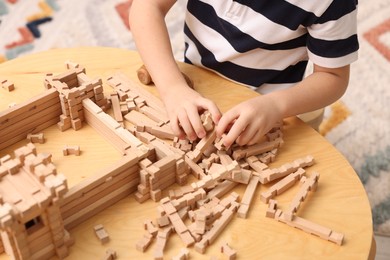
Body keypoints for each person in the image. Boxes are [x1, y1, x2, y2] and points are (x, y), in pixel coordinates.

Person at [129, 0, 359, 148]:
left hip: (268, 109)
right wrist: (172, 88)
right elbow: (146, 8)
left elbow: (333, 77)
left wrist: (276, 106)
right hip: (197, 85)